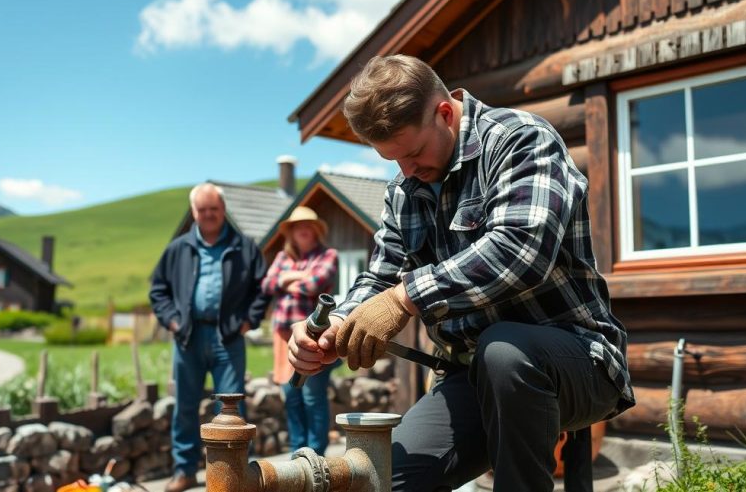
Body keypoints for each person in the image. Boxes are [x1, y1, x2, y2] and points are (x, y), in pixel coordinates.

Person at [288, 55, 635, 492]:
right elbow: (380, 277)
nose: (406, 172)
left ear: (446, 113)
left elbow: (520, 250)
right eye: (393, 160)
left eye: (412, 153)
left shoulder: (520, 140)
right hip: (470, 375)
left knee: (504, 351)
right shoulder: (405, 190)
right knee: (384, 481)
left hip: (578, 361)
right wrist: (340, 323)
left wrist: (403, 299)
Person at [149, 182, 271, 492]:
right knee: (185, 407)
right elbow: (158, 290)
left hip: (228, 338)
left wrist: (247, 322)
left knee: (230, 410)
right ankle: (184, 471)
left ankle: (236, 475)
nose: (209, 215)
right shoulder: (178, 248)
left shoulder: (244, 246)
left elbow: (263, 288)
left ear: (223, 210)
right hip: (188, 337)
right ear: (193, 212)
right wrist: (173, 322)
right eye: (202, 210)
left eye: (214, 209)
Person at [261, 206, 339, 456]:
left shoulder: (328, 255)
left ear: (316, 230)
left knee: (313, 397)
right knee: (290, 395)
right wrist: (296, 275)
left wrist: (285, 280)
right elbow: (267, 284)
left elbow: (314, 284)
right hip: (283, 337)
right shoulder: (284, 257)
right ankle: (298, 450)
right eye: (298, 226)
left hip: (312, 336)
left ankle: (315, 453)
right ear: (292, 232)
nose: (303, 230)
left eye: (308, 225)